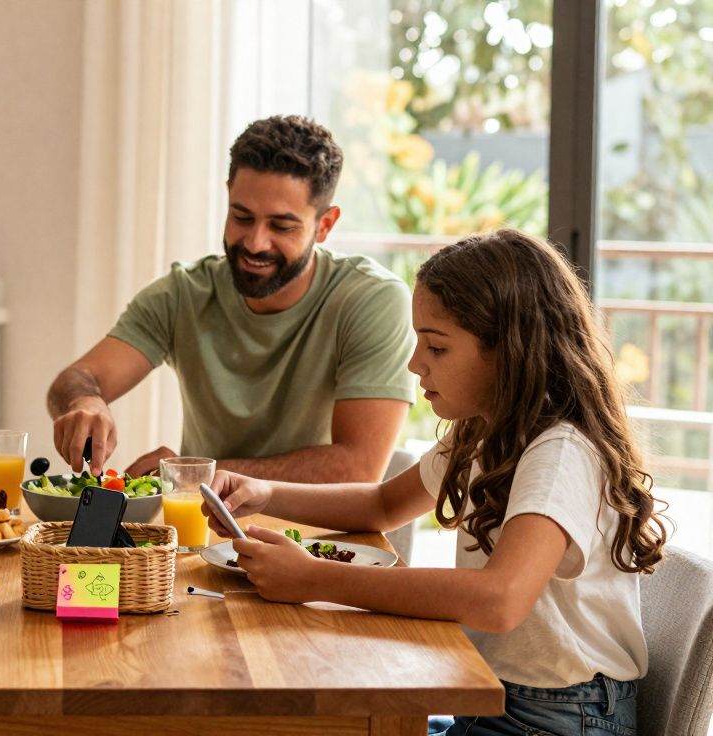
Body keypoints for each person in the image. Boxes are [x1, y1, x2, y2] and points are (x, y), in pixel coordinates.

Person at [205, 229, 669, 734]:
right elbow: (383, 504)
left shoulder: (560, 452)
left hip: (556, 717)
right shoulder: (486, 429)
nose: (414, 363)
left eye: (437, 347)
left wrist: (315, 579)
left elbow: (500, 599)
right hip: (495, 696)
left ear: (508, 350)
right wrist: (266, 492)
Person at [48, 115, 415, 480]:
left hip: (319, 534)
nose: (255, 242)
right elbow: (76, 377)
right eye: (242, 217)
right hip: (204, 531)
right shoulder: (183, 294)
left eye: (281, 226)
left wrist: (194, 472)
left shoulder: (371, 300)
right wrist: (85, 400)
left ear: (325, 225)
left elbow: (358, 468)